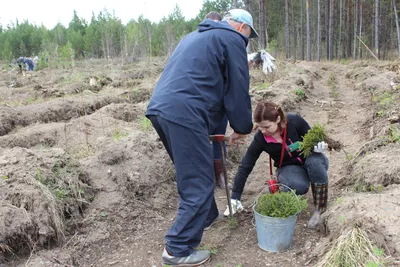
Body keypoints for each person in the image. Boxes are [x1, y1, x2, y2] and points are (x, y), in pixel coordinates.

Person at [145, 9, 259, 266]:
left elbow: (204, 83)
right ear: (241, 27)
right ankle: (177, 248)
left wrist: (216, 131)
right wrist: (242, 125)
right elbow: (237, 88)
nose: (247, 41)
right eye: (249, 35)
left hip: (161, 108)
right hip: (187, 112)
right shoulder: (232, 40)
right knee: (198, 182)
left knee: (195, 172)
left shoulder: (194, 36)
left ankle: (206, 217)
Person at [223, 100, 329, 229]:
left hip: (309, 159)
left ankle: (320, 209)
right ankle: (292, 190)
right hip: (289, 168)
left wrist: (319, 146)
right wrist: (235, 197)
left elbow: (314, 137)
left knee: (315, 163)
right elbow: (246, 166)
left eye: (266, 127)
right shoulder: (261, 139)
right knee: (298, 185)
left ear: (278, 119)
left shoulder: (294, 122)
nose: (262, 130)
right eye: (260, 126)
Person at [204, 11, 230, 189]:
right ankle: (204, 179)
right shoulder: (199, 45)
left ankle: (220, 176)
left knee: (218, 139)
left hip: (220, 103)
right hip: (201, 103)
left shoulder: (225, 45)